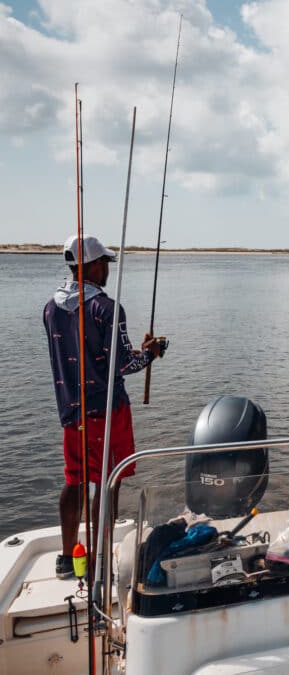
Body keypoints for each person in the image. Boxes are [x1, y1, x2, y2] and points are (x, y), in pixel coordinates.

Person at [43, 234, 165, 579]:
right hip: (108, 411)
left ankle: (67, 558)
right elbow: (125, 365)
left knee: (76, 480)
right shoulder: (107, 308)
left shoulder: (51, 308)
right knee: (108, 482)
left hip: (71, 412)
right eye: (105, 263)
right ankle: (96, 560)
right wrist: (151, 353)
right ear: (94, 265)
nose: (107, 269)